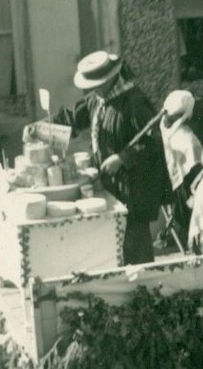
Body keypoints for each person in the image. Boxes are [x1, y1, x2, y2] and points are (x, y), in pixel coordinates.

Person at [45, 52, 170, 264]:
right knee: (115, 244)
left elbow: (154, 142)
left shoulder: (134, 102)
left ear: (111, 79)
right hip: (112, 184)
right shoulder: (98, 99)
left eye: (97, 84)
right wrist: (41, 128)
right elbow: (72, 118)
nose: (93, 89)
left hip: (134, 187)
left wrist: (122, 158)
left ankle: (144, 290)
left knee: (135, 242)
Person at [159, 90, 203, 247]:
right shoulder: (188, 138)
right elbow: (196, 169)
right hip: (185, 188)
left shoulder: (163, 127)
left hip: (168, 183)